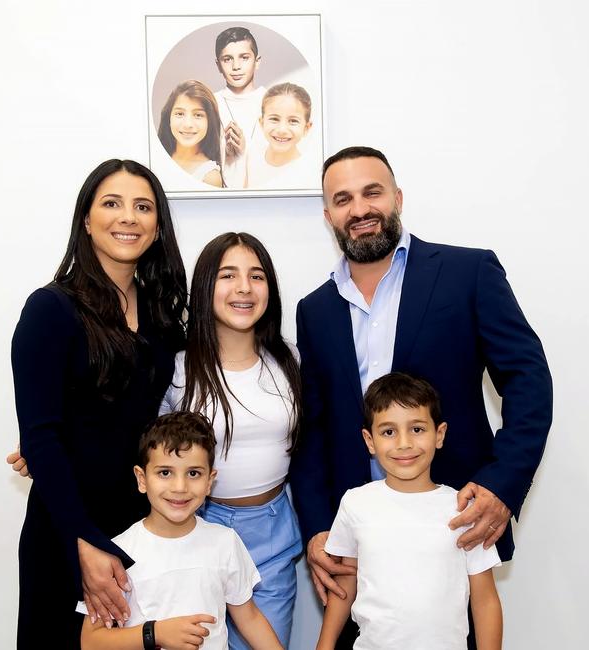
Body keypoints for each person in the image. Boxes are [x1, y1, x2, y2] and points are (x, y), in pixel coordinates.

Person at [290, 146, 552, 648]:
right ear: (329, 216)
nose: (360, 209)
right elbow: (314, 429)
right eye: (342, 199)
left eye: (372, 192)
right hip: (358, 547)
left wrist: (502, 483)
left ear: (398, 197)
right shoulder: (314, 309)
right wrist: (319, 527)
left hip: (455, 531)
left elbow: (528, 378)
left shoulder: (467, 272)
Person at [10, 159, 187, 649]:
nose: (128, 217)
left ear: (157, 226)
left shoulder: (162, 316)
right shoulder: (50, 309)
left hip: (142, 527)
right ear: (86, 219)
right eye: (112, 203)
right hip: (67, 526)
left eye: (143, 207)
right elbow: (41, 435)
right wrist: (83, 542)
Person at [159, 232, 303, 649]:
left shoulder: (290, 359)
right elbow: (136, 437)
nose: (244, 287)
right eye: (228, 275)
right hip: (197, 527)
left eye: (256, 276)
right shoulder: (178, 367)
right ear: (205, 287)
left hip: (273, 532)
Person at [316, 373, 502, 650]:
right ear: (369, 440)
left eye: (417, 429)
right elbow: (346, 578)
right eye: (389, 432)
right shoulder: (356, 503)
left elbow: (485, 599)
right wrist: (324, 645)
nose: (404, 443)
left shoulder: (464, 510)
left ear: (439, 435)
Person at [78, 411, 283, 650]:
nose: (180, 487)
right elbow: (91, 641)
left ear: (209, 481)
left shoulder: (225, 542)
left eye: (193, 473)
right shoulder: (116, 553)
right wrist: (154, 633)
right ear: (141, 479)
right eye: (165, 473)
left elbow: (250, 619)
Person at [213, 27, 266, 188]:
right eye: (227, 59)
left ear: (257, 62)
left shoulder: (272, 101)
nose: (236, 66)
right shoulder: (210, 102)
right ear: (218, 65)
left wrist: (245, 149)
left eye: (244, 57)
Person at [246, 82, 316, 190]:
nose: (282, 130)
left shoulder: (309, 174)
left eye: (293, 121)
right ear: (261, 122)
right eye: (274, 119)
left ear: (306, 128)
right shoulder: (251, 157)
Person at [157, 80, 223, 188]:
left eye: (198, 115)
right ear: (168, 118)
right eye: (180, 114)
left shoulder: (210, 177)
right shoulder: (157, 158)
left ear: (210, 121)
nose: (188, 124)